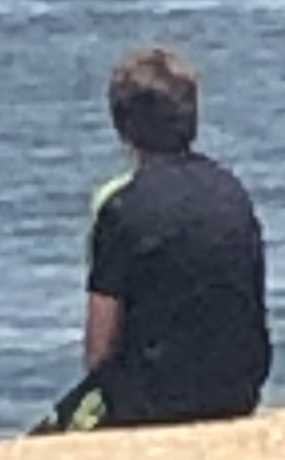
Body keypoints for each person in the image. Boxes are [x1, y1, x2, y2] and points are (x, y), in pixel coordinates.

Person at [53, 47, 271, 430]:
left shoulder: (122, 208)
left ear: (121, 127)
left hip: (155, 400)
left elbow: (98, 350)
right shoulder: (231, 190)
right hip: (238, 389)